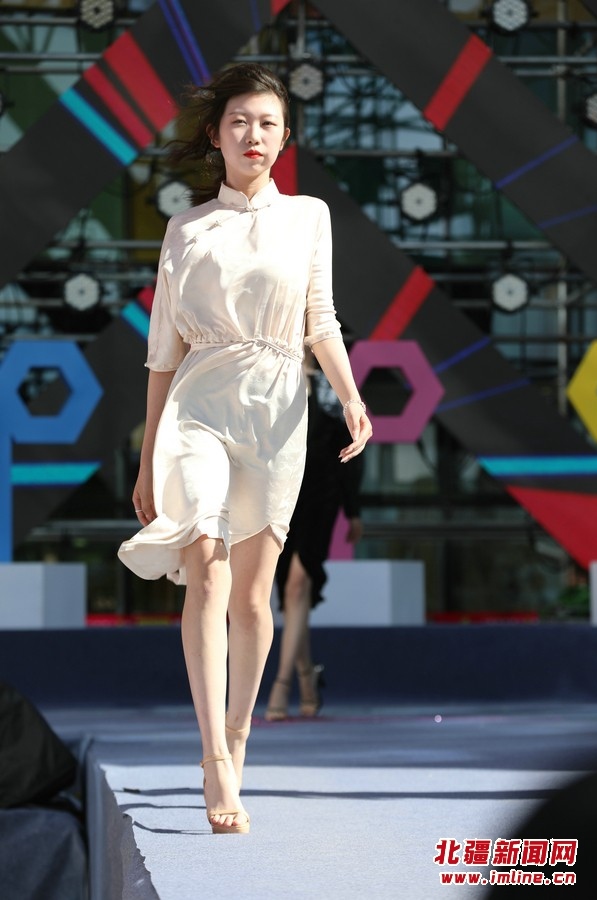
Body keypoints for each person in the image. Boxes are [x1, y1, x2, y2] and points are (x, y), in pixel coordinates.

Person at [117, 62, 372, 835]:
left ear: (284, 137)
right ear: (215, 135)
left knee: (254, 598)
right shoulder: (186, 228)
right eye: (238, 121)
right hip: (197, 407)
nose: (252, 134)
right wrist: (147, 456)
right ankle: (213, 759)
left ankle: (238, 735)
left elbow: (320, 318)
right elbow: (163, 353)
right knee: (205, 564)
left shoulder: (309, 217)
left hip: (278, 413)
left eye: (266, 123)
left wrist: (351, 396)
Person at [265, 361, 364, 721]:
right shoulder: (274, 370)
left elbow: (351, 445)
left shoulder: (332, 380)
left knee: (297, 584)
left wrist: (353, 509)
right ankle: (308, 679)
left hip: (322, 493)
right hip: (282, 493)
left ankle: (280, 685)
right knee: (291, 594)